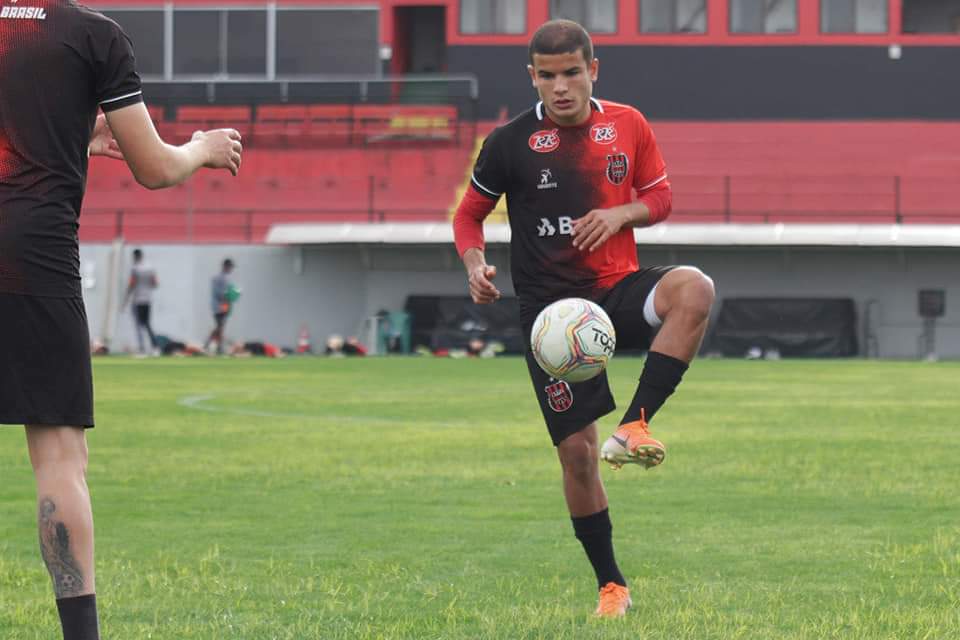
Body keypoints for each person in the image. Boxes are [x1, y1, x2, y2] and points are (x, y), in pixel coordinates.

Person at [452, 20, 715, 618]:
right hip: (552, 316)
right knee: (576, 454)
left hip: (615, 289)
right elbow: (469, 216)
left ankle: (636, 426)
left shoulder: (628, 124)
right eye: (547, 76)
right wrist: (474, 265)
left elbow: (661, 198)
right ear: (532, 78)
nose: (561, 87)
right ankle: (611, 586)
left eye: (572, 73)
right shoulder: (509, 142)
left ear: (593, 70)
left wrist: (621, 215)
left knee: (694, 289)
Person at [0, 3, 243, 637]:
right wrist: (201, 148)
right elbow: (154, 168)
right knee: (58, 455)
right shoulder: (92, 34)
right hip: (30, 256)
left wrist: (76, 135)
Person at [122, 248, 159, 355]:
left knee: (138, 325)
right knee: (147, 324)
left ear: (135, 256)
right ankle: (155, 348)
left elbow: (131, 284)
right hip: (148, 299)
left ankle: (142, 349)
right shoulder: (150, 268)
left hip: (138, 300)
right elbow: (155, 283)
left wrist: (125, 300)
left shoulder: (135, 268)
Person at [204, 258, 238, 355]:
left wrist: (233, 295)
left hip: (225, 306)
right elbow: (217, 293)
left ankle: (211, 346)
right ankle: (216, 347)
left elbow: (228, 292)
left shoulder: (227, 278)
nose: (231, 269)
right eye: (230, 267)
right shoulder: (218, 278)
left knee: (220, 327)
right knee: (220, 327)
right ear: (225, 266)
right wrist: (228, 295)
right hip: (218, 306)